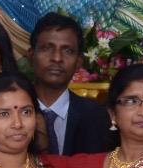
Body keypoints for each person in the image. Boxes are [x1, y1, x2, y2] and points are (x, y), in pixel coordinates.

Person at [29, 12, 112, 156]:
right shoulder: (12, 111)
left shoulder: (95, 116)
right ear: (31, 55)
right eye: (47, 48)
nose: (57, 58)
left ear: (79, 62)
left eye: (67, 51)